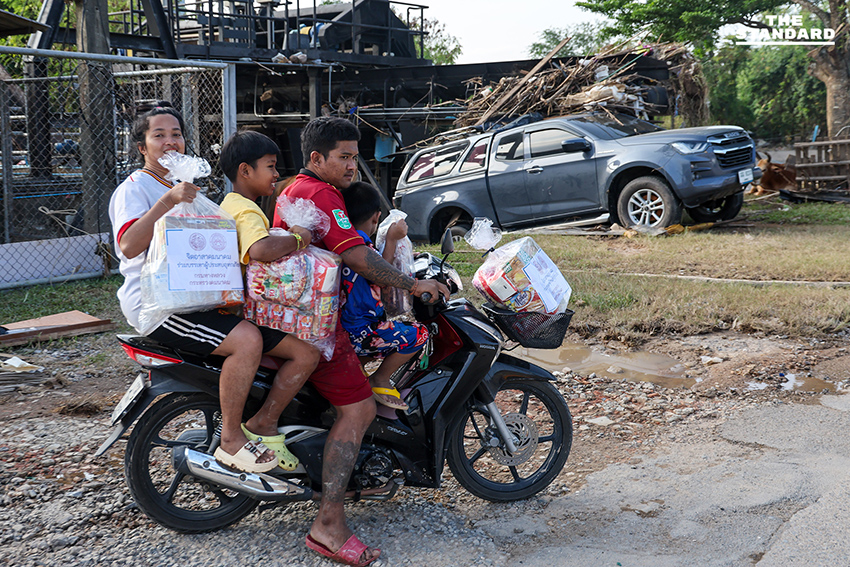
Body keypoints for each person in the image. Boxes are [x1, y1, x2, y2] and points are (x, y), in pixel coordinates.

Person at [273, 116, 449, 567]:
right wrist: (413, 287)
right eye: (344, 157)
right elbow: (356, 255)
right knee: (360, 407)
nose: (353, 166)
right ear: (317, 159)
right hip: (316, 325)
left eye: (355, 157)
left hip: (298, 314)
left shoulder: (295, 189)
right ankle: (328, 525)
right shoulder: (320, 193)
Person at [108, 102, 279, 474]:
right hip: (158, 308)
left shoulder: (185, 188)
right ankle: (233, 438)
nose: (170, 142)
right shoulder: (134, 189)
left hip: (189, 298)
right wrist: (167, 202)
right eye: (159, 135)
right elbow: (128, 246)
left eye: (176, 134)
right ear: (142, 147)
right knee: (247, 340)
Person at [218, 129, 321, 470]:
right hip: (249, 314)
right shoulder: (245, 210)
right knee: (307, 354)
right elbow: (260, 250)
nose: (277, 174)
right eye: (270, 166)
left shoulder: (232, 205)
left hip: (245, 306)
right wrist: (299, 238)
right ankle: (265, 420)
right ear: (245, 170)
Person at [340, 182, 428, 411]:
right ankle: (379, 379)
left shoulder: (345, 242)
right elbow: (381, 274)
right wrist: (391, 239)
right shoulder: (362, 247)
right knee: (418, 334)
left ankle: (358, 375)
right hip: (360, 331)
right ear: (376, 218)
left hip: (345, 327)